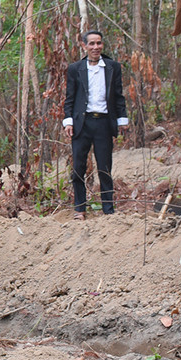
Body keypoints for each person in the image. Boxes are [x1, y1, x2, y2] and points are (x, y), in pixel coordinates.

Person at [63, 30, 128, 220]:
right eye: (91, 43)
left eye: (98, 43)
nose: (95, 47)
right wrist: (68, 121)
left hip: (104, 123)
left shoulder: (112, 67)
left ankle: (108, 209)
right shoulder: (76, 69)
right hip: (82, 124)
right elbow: (70, 98)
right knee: (78, 168)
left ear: (102, 45)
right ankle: (80, 208)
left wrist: (122, 119)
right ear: (84, 46)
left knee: (104, 168)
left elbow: (118, 95)